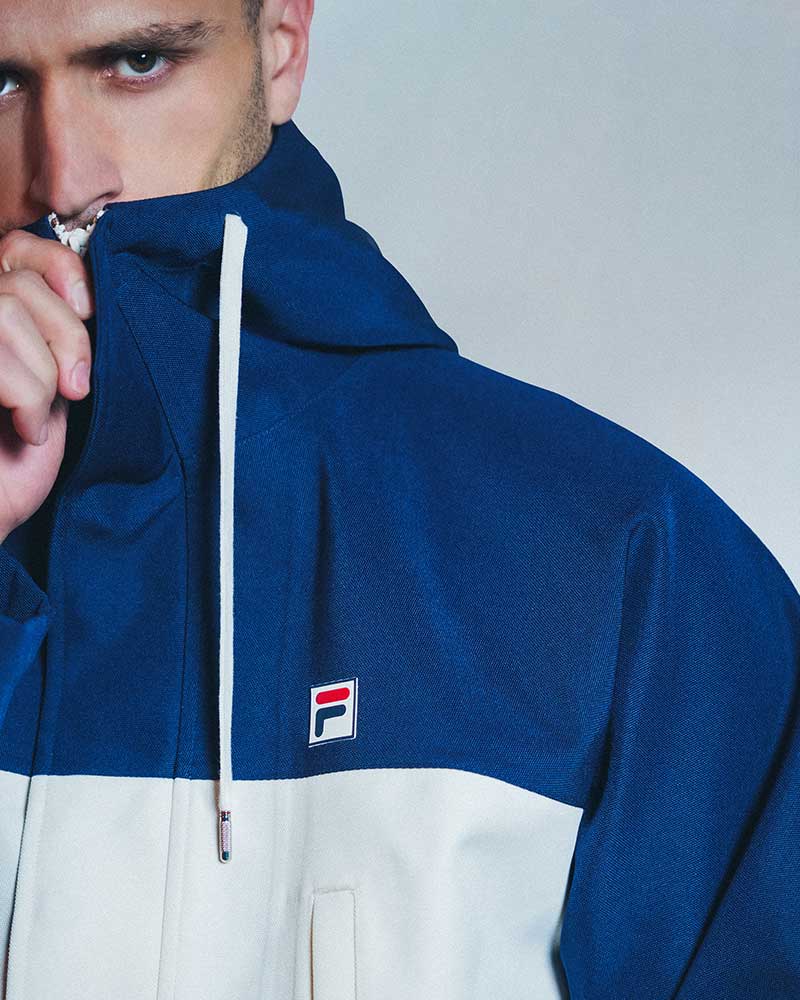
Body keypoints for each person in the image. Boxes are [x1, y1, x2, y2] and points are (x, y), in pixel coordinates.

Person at [0, 2, 797, 998]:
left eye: (138, 60)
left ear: (280, 44)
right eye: (1, 84)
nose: (61, 176)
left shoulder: (622, 564)